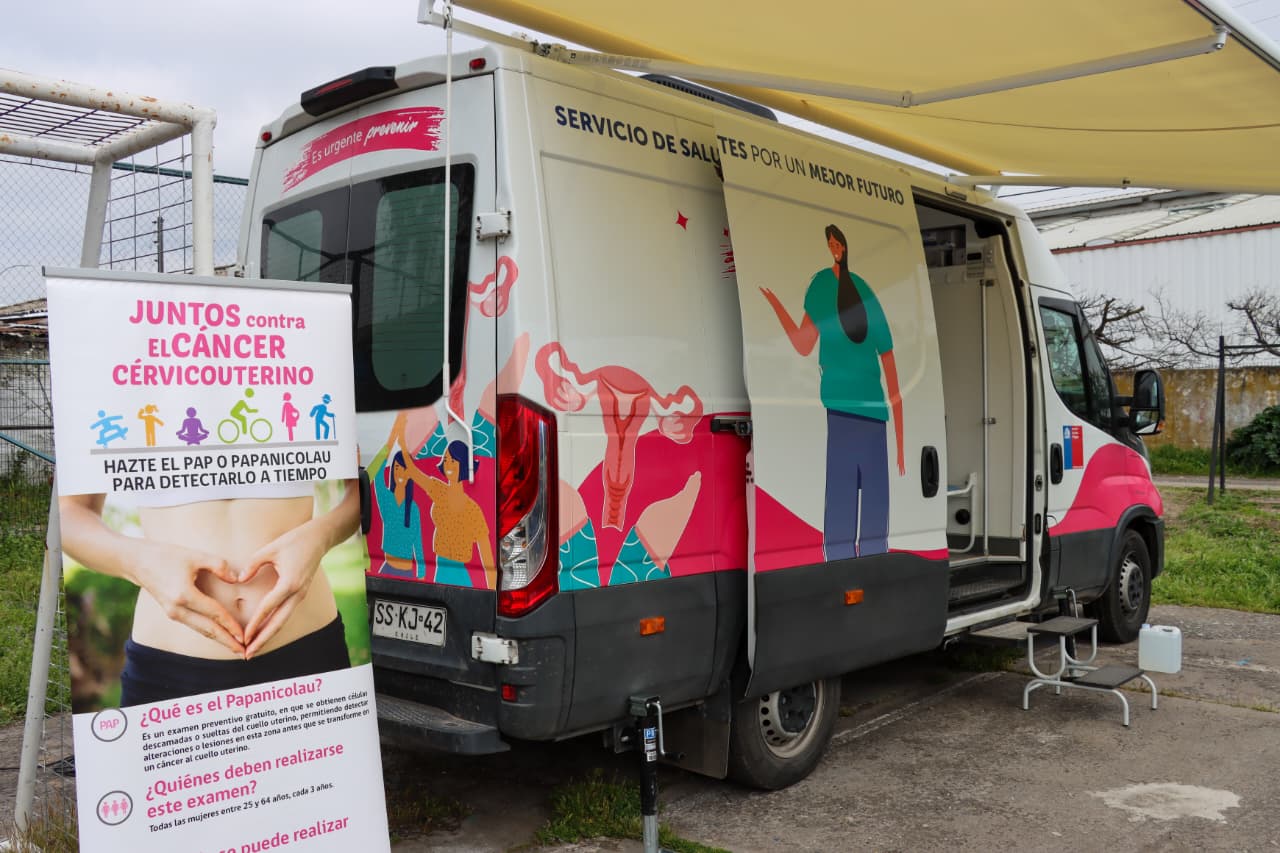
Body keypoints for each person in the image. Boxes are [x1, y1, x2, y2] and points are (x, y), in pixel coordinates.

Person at [59, 477, 360, 706]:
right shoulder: (113, 406)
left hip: (307, 650)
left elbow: (362, 489)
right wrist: (138, 561)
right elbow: (69, 514)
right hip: (170, 666)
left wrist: (322, 536)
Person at [759, 224, 905, 559]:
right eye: (831, 243)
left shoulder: (857, 290)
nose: (834, 248)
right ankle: (849, 568)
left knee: (859, 508)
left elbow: (890, 365)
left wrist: (900, 441)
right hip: (848, 412)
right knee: (851, 506)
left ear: (845, 246)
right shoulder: (824, 287)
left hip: (865, 414)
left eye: (837, 243)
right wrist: (776, 304)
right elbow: (803, 344)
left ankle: (861, 568)